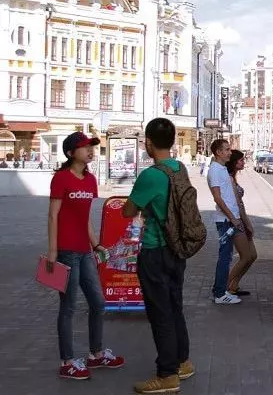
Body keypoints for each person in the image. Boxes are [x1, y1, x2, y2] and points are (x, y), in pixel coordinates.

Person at [123, 118, 194, 394]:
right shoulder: (179, 169)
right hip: (177, 249)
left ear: (148, 143)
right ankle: (182, 362)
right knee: (175, 307)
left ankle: (167, 375)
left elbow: (128, 211)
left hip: (155, 250)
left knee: (160, 313)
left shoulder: (150, 175)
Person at [47, 131, 124, 380]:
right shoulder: (61, 178)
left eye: (92, 146)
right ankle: (67, 362)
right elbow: (53, 215)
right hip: (66, 252)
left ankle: (96, 354)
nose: (90, 150)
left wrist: (96, 244)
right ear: (71, 153)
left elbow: (85, 218)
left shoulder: (90, 180)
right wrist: (52, 252)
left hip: (85, 251)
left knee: (98, 302)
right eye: (84, 147)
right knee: (68, 307)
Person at [207, 138, 243, 304]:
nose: (230, 152)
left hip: (229, 219)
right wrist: (232, 218)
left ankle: (220, 290)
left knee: (227, 257)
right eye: (227, 149)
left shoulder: (221, 169)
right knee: (224, 257)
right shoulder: (215, 170)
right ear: (218, 152)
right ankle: (220, 294)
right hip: (225, 220)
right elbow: (218, 198)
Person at [224, 149, 258, 296]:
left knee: (252, 255)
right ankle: (223, 287)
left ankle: (234, 285)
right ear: (234, 162)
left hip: (241, 220)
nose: (244, 162)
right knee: (245, 256)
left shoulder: (233, 177)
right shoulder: (229, 179)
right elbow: (238, 204)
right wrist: (247, 223)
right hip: (236, 221)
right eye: (241, 160)